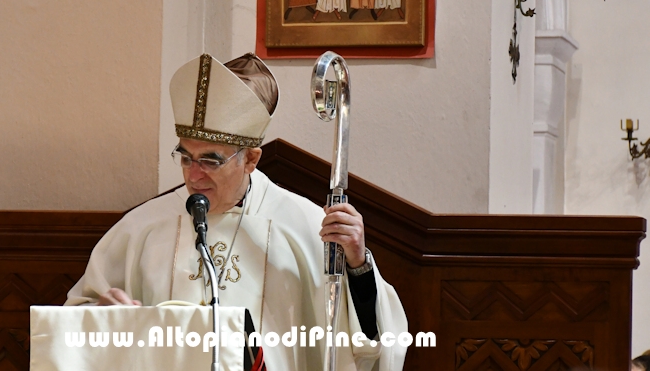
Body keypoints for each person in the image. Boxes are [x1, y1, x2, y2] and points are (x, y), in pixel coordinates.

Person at [66, 52, 408, 371]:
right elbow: (70, 330)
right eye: (185, 157)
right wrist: (102, 317)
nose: (193, 175)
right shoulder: (143, 227)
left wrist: (357, 265)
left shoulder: (303, 225)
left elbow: (371, 343)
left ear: (251, 160)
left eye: (211, 161)